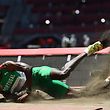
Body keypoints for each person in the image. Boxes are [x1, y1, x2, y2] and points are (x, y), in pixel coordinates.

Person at [0, 41, 105, 103]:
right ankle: (104, 84)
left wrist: (28, 91)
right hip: (42, 87)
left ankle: (87, 51)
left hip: (38, 73)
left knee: (63, 74)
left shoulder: (6, 66)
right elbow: (10, 96)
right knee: (80, 95)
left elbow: (28, 68)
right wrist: (22, 97)